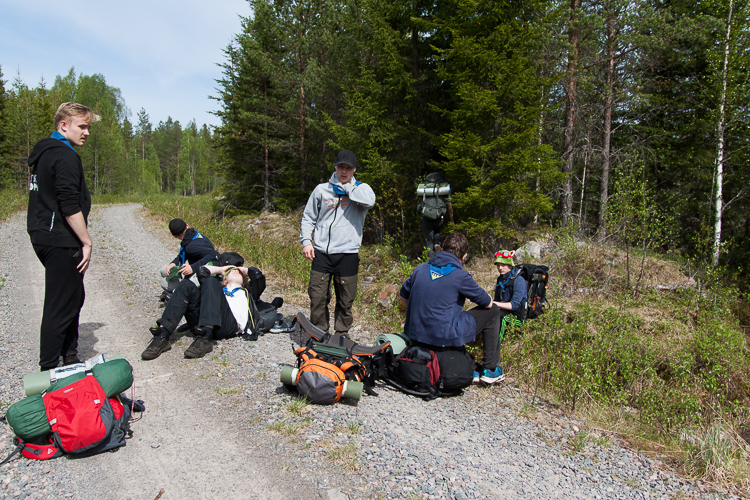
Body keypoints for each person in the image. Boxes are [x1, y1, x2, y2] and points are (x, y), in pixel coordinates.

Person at [27, 102, 100, 371]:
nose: (86, 132)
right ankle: (48, 370)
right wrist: (86, 241)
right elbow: (69, 205)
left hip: (43, 234)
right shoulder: (64, 156)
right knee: (60, 303)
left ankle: (70, 356)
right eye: (82, 126)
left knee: (73, 295)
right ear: (63, 125)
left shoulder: (44, 153)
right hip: (60, 238)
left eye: (88, 127)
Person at [398, 233, 505, 383]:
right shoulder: (461, 276)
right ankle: (490, 369)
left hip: (415, 335)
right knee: (493, 311)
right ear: (464, 256)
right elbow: (487, 303)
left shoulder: (420, 269)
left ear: (442, 249)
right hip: (441, 338)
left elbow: (403, 295)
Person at [300, 150, 376, 335]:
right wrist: (306, 241)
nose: (344, 171)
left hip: (347, 253)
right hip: (321, 253)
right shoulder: (321, 190)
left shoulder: (362, 189)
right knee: (317, 297)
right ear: (335, 167)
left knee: (346, 299)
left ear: (354, 169)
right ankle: (319, 334)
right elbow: (308, 217)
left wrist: (348, 188)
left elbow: (370, 202)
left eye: (348, 168)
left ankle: (342, 335)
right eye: (341, 167)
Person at [142, 264, 258, 360]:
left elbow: (258, 276)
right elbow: (202, 271)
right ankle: (162, 335)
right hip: (202, 323)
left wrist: (243, 270)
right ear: (225, 278)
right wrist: (221, 269)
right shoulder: (216, 288)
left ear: (245, 281)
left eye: (239, 272)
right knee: (186, 284)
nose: (236, 271)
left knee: (211, 281)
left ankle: (205, 337)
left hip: (228, 326)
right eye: (232, 271)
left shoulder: (248, 292)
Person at [159, 218, 219, 300]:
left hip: (202, 275)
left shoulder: (191, 246)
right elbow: (183, 255)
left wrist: (193, 268)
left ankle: (179, 293)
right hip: (200, 271)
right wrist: (173, 263)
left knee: (164, 283)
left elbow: (214, 254)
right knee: (164, 270)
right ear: (187, 225)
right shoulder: (193, 236)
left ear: (174, 236)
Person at [492, 250, 527, 341]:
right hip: (503, 309)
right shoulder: (500, 279)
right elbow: (497, 299)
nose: (500, 268)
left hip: (516, 313)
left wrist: (494, 303)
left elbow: (514, 305)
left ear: (510, 265)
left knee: (498, 316)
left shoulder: (519, 280)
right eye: (498, 265)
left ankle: (496, 344)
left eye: (503, 265)